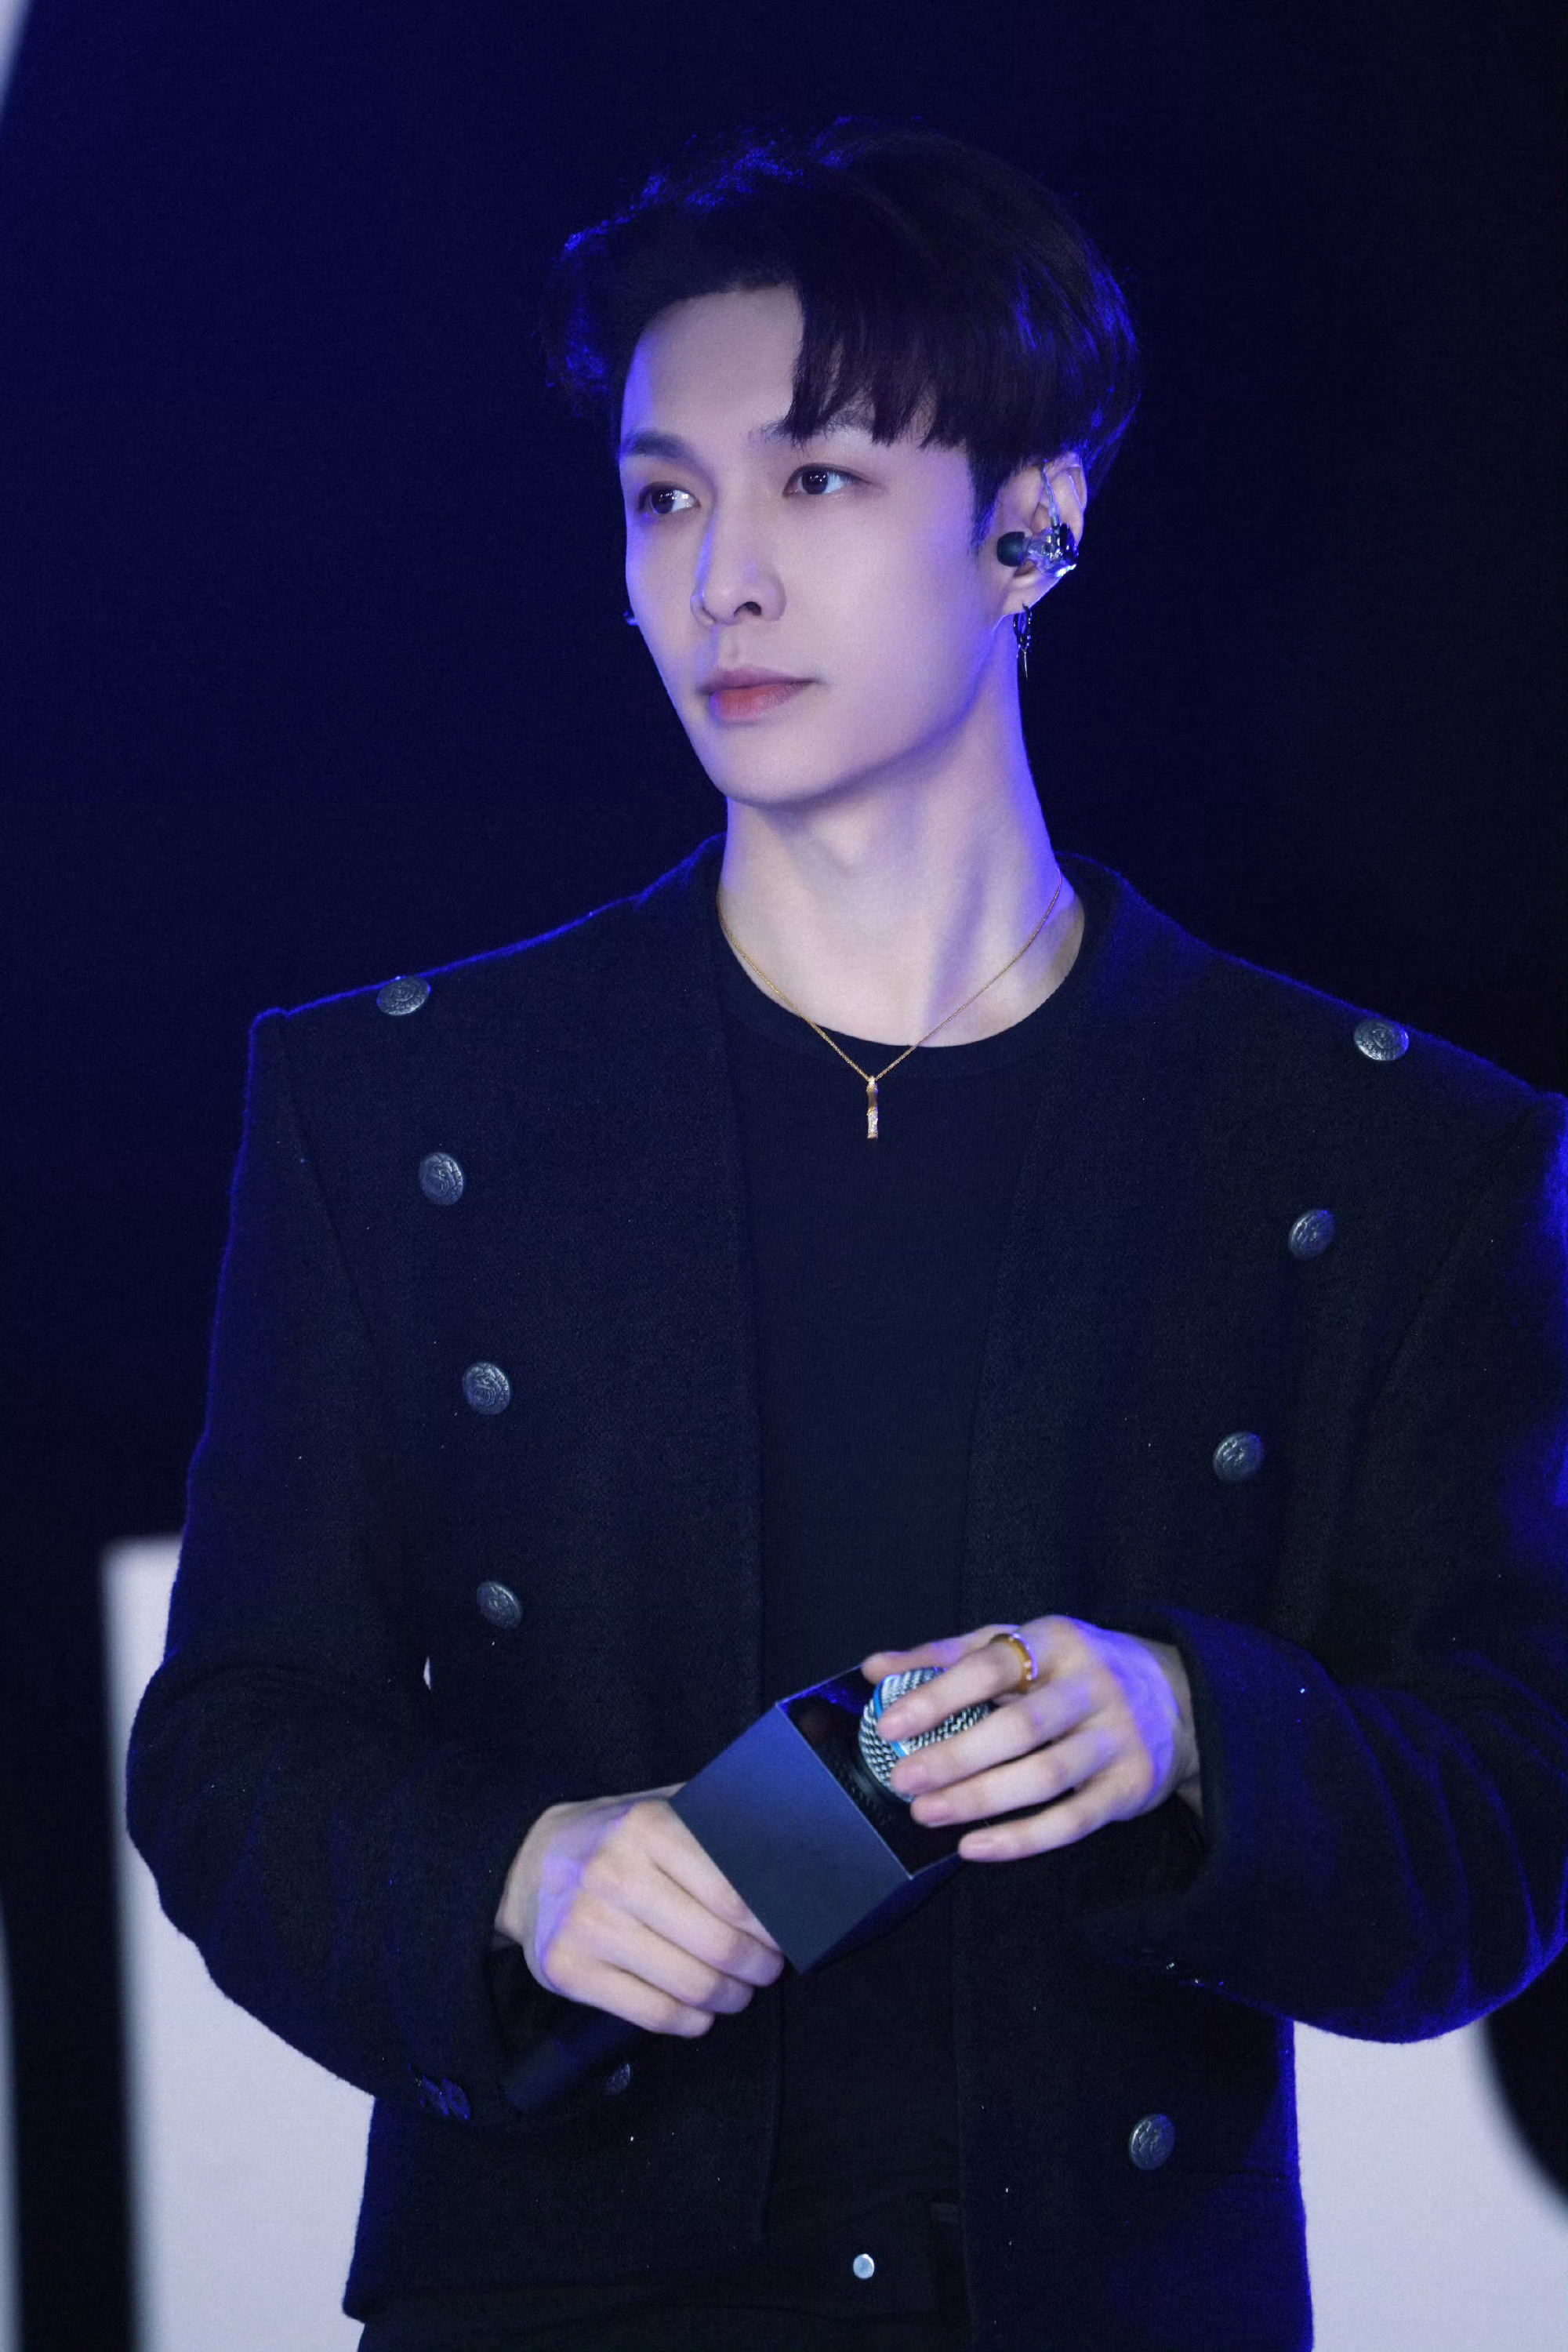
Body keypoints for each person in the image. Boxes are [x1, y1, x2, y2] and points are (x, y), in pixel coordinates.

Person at [126, 121, 1567, 2352]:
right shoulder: (404, 1113)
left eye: (813, 478)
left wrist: (1195, 1729)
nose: (721, 580)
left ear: (1033, 524)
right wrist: (515, 1876)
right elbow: (231, 1746)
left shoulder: (1382, 1154)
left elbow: (1510, 1821)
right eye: (663, 498)